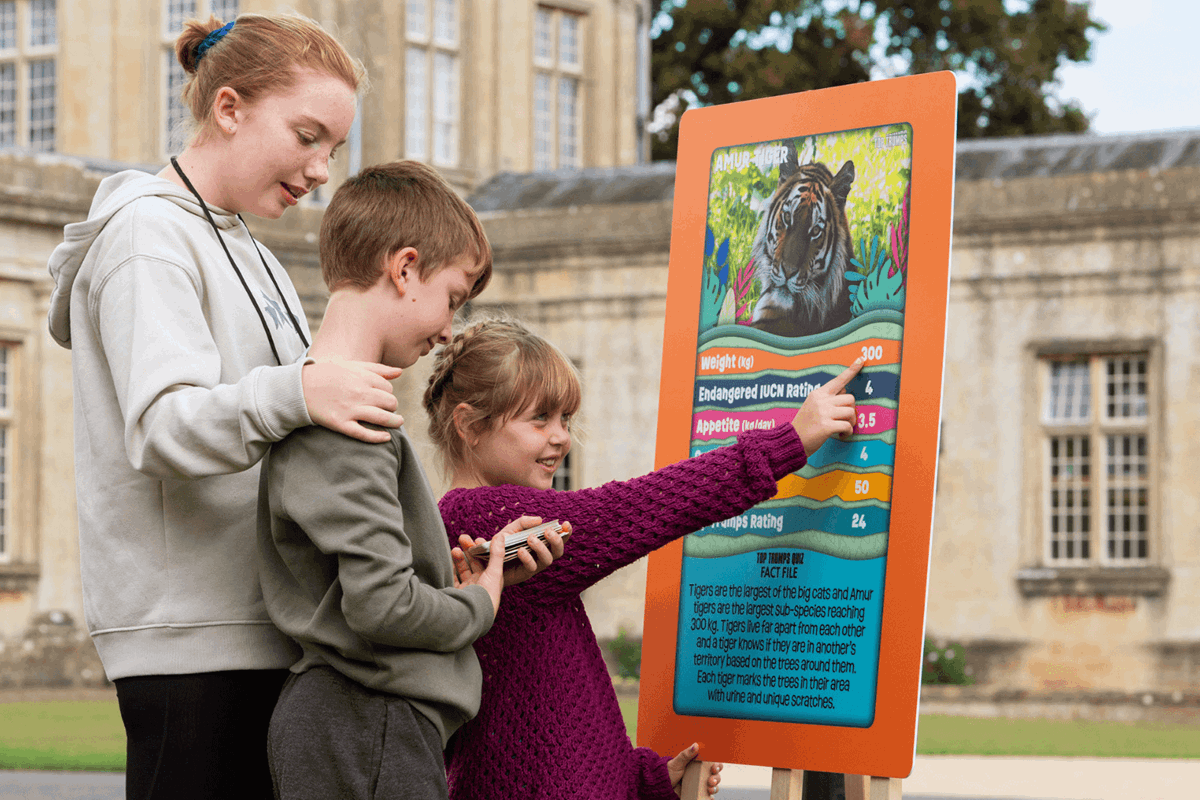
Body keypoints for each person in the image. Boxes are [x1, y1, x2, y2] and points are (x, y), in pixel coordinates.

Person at [45, 13, 406, 799]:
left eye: (334, 150)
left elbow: (293, 443)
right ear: (230, 107)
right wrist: (304, 389)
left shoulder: (256, 253)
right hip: (190, 649)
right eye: (307, 135)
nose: (320, 170)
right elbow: (164, 426)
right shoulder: (146, 238)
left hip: (273, 633)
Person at [423, 317, 865, 800]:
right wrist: (789, 442)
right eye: (540, 419)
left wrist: (642, 778)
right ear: (468, 425)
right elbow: (643, 507)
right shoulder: (487, 519)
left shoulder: (464, 523)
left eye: (566, 420)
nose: (562, 438)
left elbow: (533, 716)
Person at [257, 160, 565, 800]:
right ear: (403, 269)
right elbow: (383, 607)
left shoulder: (323, 397)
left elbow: (366, 588)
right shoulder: (350, 418)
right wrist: (479, 602)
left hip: (357, 722)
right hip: (369, 721)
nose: (450, 328)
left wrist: (470, 574)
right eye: (452, 297)